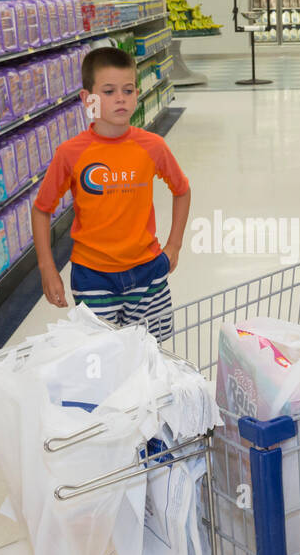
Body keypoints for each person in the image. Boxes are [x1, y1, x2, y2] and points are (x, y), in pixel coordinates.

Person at [33, 46, 189, 339]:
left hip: (148, 271)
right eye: (108, 91)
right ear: (87, 99)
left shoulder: (152, 146)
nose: (121, 98)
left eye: (128, 90)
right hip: (92, 275)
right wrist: (47, 268)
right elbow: (42, 209)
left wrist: (174, 247)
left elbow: (182, 189)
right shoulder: (70, 153)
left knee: (152, 351)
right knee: (101, 355)